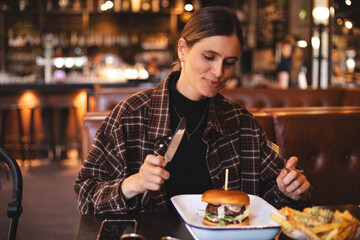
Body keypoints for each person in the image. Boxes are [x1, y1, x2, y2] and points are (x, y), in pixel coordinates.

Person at [74, 6, 311, 215]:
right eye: (209, 57)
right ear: (183, 49)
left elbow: (274, 204)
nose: (219, 72)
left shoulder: (241, 124)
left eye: (229, 62)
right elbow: (85, 195)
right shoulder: (132, 115)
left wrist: (290, 189)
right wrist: (133, 184)